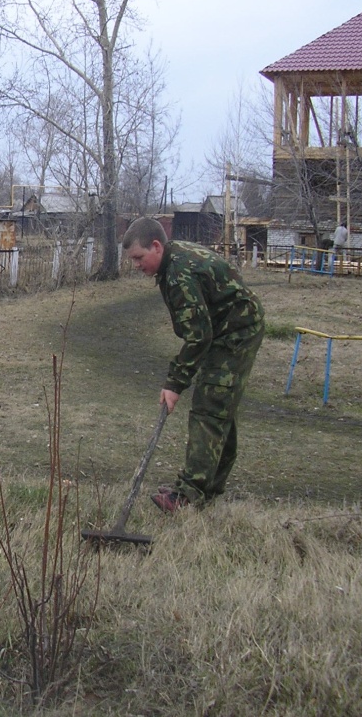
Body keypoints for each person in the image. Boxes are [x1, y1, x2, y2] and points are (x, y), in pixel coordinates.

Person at [122, 217, 265, 514]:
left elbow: (199, 336)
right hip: (225, 330)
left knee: (209, 407)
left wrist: (175, 383)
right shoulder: (173, 260)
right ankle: (206, 489)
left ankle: (188, 494)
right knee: (219, 408)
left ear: (157, 246)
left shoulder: (178, 274)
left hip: (236, 333)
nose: (136, 265)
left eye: (138, 257)